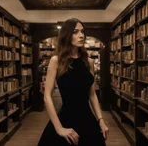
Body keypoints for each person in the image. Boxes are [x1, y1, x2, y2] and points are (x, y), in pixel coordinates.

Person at [38, 18, 109, 146]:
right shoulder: (56, 61)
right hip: (66, 118)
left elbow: (92, 94)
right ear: (67, 35)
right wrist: (59, 128)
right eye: (75, 32)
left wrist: (101, 120)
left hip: (88, 120)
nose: (81, 35)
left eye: (82, 32)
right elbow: (47, 96)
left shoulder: (89, 62)